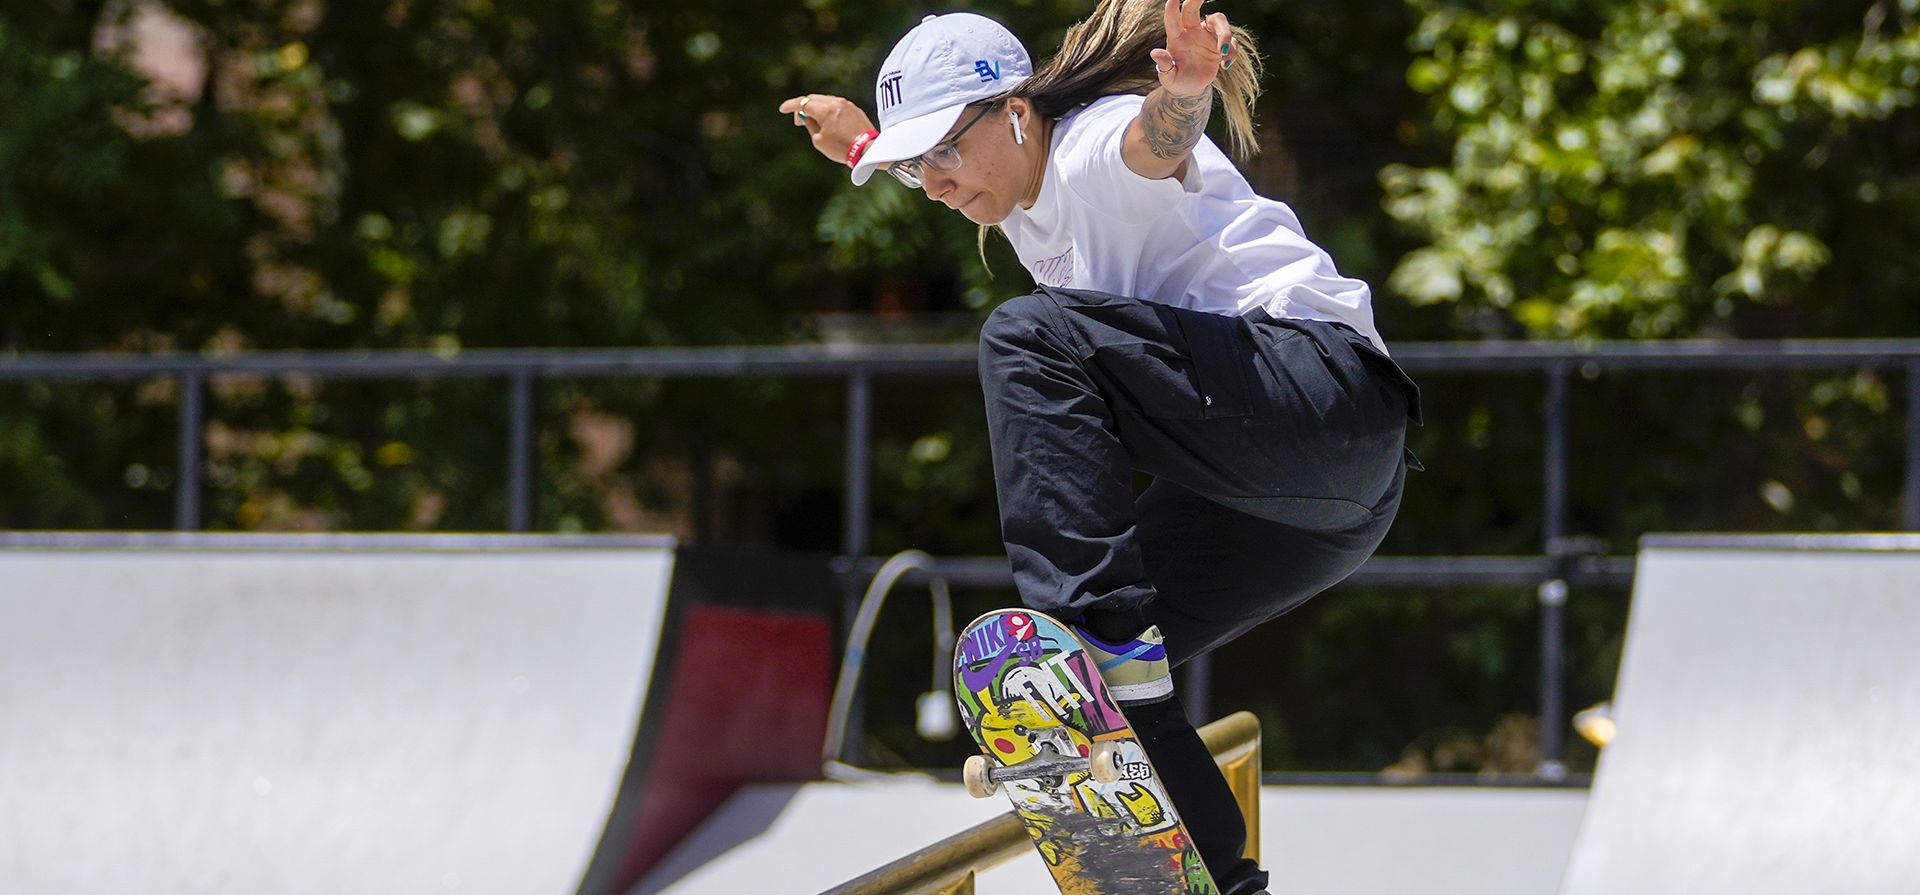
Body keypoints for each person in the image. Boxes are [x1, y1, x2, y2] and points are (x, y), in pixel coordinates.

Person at [781, 2, 1421, 892]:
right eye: (915, 165)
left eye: (943, 154)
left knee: (1024, 337)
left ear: (1013, 113)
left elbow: (1152, 145)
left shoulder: (1092, 145)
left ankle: (1099, 636)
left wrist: (1183, 94)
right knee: (1081, 683)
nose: (933, 183)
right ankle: (1213, 869)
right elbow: (957, 171)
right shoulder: (1013, 193)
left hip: (1319, 396)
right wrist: (865, 148)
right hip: (1316, 510)